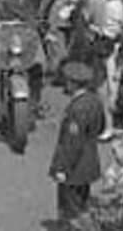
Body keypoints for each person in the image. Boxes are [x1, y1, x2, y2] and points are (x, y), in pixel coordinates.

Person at [51, 60, 105, 224]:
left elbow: (72, 143)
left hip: (75, 168)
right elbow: (101, 127)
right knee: (83, 205)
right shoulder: (95, 101)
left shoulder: (77, 108)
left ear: (73, 83)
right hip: (89, 161)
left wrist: (62, 168)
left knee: (71, 211)